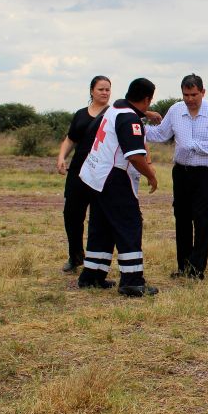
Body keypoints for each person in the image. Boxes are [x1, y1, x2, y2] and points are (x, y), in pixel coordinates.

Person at [77, 78, 159, 297]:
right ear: (147, 99)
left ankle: (92, 275)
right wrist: (151, 176)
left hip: (94, 177)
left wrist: (146, 115)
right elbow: (135, 157)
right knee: (129, 225)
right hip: (113, 178)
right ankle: (132, 281)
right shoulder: (129, 119)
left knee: (101, 227)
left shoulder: (116, 108)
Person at [143, 74, 208, 280]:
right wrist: (135, 127)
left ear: (203, 92)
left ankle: (197, 269)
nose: (189, 99)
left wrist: (195, 146)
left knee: (202, 218)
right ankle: (183, 266)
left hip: (205, 173)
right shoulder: (175, 110)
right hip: (181, 172)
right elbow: (161, 134)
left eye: (194, 94)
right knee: (181, 218)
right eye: (186, 95)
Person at [56, 76, 111, 274]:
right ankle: (75, 256)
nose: (104, 93)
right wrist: (62, 157)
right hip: (78, 171)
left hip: (101, 172)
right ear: (91, 91)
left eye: (107, 89)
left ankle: (96, 260)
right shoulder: (80, 114)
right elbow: (70, 139)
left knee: (99, 218)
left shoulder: (113, 114)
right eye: (101, 89)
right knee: (71, 215)